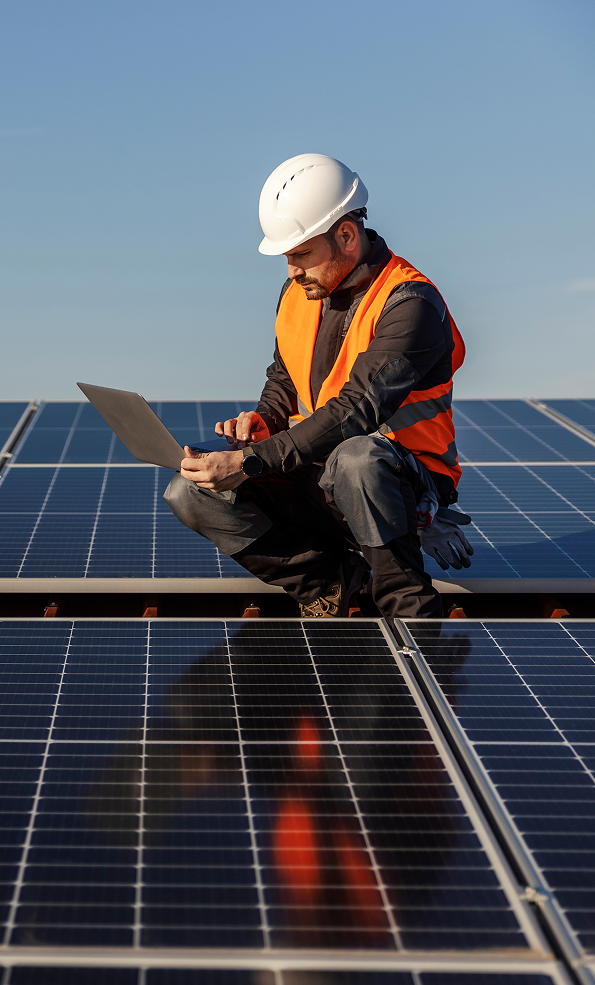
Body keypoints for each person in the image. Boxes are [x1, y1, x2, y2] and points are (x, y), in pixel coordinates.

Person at [164, 153, 473, 618]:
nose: (292, 270)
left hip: (403, 486)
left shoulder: (410, 304)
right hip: (323, 470)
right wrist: (264, 419)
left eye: (301, 254)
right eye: (288, 257)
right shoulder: (301, 293)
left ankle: (405, 605)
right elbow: (284, 376)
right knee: (190, 491)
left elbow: (355, 412)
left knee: (358, 458)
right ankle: (333, 586)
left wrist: (250, 461)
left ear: (346, 236)